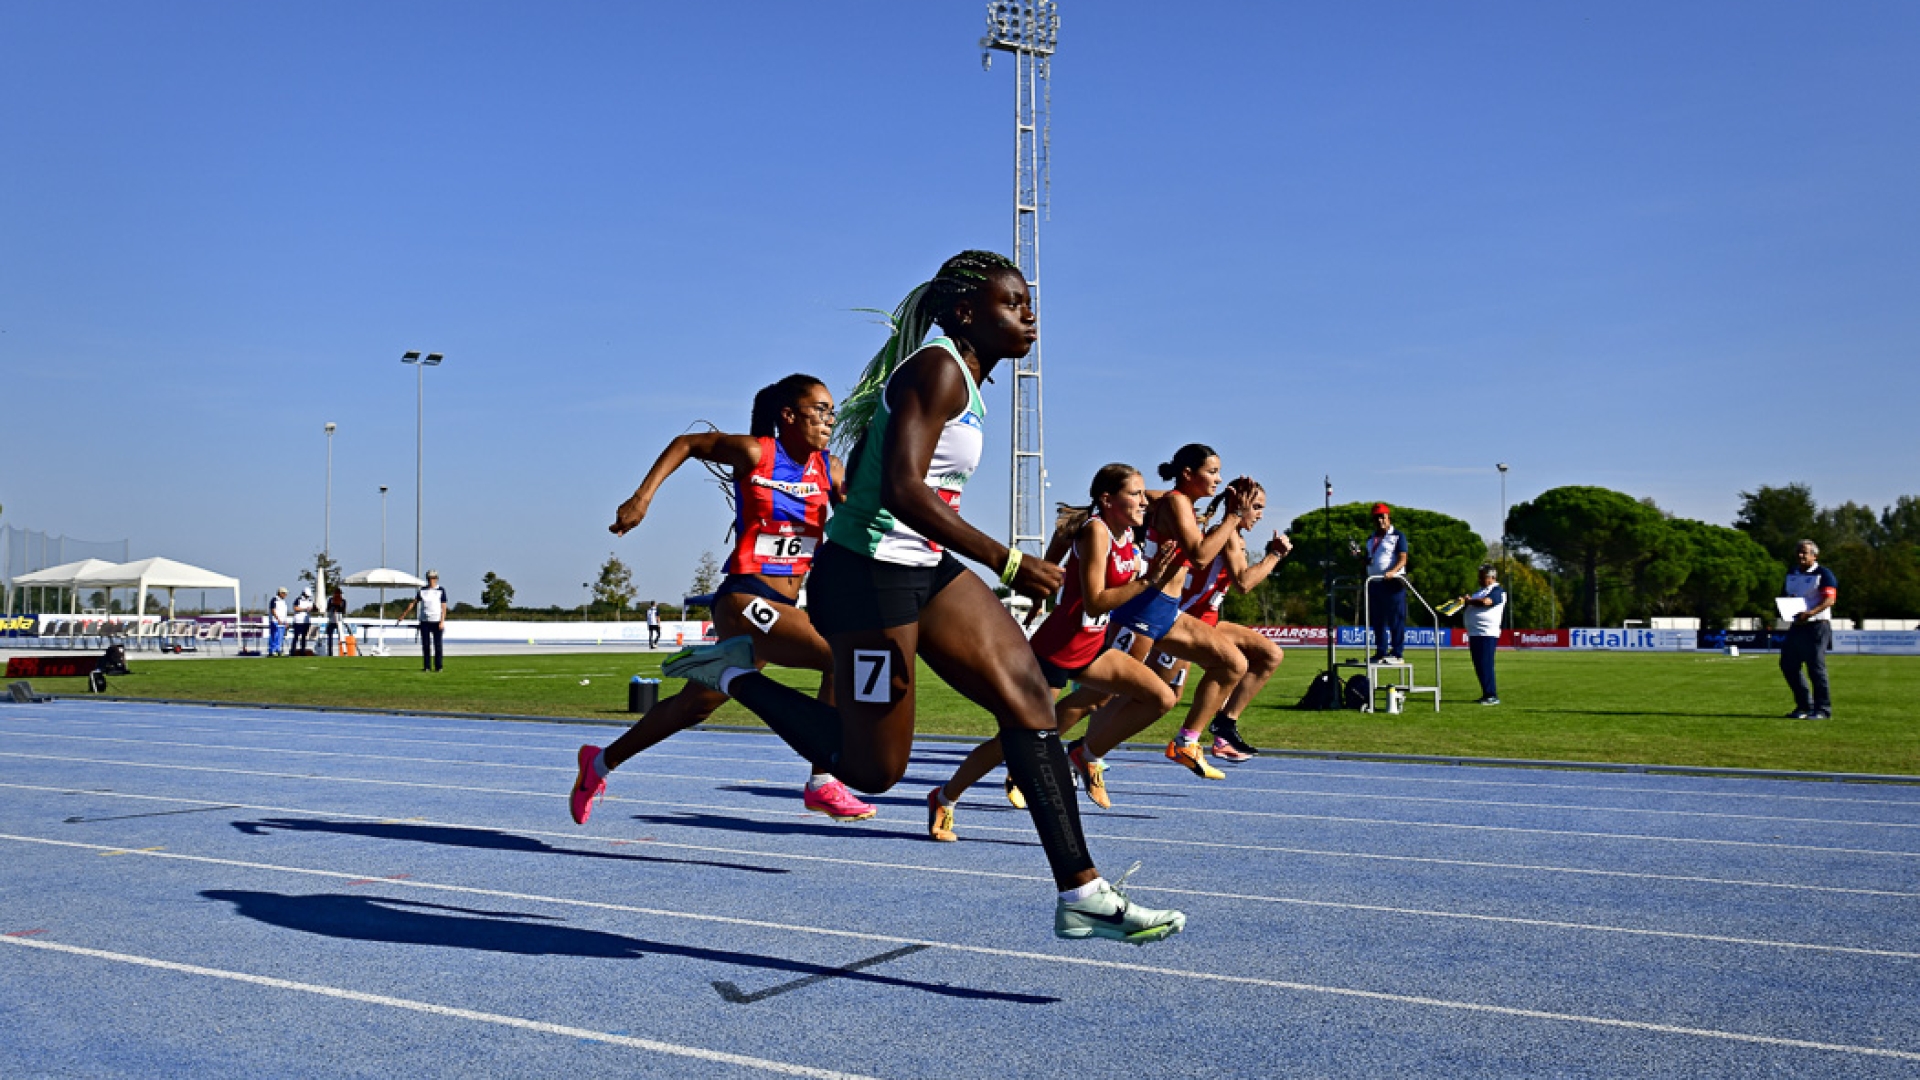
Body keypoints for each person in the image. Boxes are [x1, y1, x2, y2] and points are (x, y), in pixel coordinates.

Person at [663, 251, 1185, 943]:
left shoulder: (965, 378)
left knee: (1030, 701)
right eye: (1014, 303)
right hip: (866, 575)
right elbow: (903, 489)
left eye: (1030, 302)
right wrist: (1007, 558)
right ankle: (731, 671)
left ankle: (1081, 891)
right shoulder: (937, 368)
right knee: (873, 770)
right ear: (967, 312)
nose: (1030, 316)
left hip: (926, 567)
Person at [569, 373, 875, 825]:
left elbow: (854, 515)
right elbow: (687, 443)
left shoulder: (829, 468)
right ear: (789, 416)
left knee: (694, 707)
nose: (830, 419)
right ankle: (822, 778)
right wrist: (642, 498)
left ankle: (597, 764)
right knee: (840, 656)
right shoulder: (755, 452)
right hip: (744, 599)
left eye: (832, 410)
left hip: (783, 611)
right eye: (821, 410)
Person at [926, 463, 1183, 840]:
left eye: (1145, 494)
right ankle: (945, 797)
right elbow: (1095, 602)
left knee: (1161, 697)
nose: (1145, 501)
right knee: (1013, 741)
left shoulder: (1128, 527)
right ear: (1108, 499)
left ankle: (1086, 754)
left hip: (1094, 649)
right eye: (1137, 494)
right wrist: (1148, 582)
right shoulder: (1097, 532)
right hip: (1056, 652)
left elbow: (1164, 499)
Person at [1145, 476, 1291, 761]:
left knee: (1270, 654)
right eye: (1257, 506)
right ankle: (1085, 745)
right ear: (1240, 503)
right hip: (1186, 623)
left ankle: (1223, 728)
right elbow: (1244, 583)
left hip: (1208, 623)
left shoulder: (1233, 535)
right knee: (1158, 699)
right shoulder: (1228, 535)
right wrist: (1274, 555)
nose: (1260, 514)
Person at [1780, 539, 1837, 720]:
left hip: (1817, 625)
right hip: (1797, 626)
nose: (1800, 555)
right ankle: (1804, 706)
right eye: (1798, 551)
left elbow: (1830, 600)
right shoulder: (1792, 573)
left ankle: (1822, 709)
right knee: (1788, 664)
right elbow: (1785, 594)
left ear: (1815, 555)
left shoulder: (1823, 574)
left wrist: (1810, 613)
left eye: (1804, 552)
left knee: (1815, 668)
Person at [1361, 503, 1410, 664]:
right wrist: (1361, 557)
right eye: (1376, 518)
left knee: (1395, 618)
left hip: (1393, 582)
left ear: (1389, 518)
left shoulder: (1397, 535)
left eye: (1382, 517)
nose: (1380, 521)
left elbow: (1403, 559)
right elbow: (1371, 560)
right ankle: (1380, 651)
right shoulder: (1371, 538)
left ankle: (1397, 652)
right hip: (1375, 583)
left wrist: (1393, 571)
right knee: (1377, 620)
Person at [1454, 564, 1506, 705]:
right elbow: (1476, 601)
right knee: (1479, 665)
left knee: (1485, 664)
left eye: (1482, 577)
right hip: (1475, 633)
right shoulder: (1480, 591)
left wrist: (1469, 601)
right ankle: (1486, 693)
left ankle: (1491, 695)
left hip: (1486, 633)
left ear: (1491, 578)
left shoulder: (1497, 591)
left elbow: (1486, 602)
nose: (1480, 580)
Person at [398, 571, 448, 672]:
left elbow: (443, 607)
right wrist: (404, 614)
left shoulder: (441, 590)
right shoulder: (422, 590)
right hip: (425, 621)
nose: (431, 580)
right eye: (429, 578)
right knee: (426, 645)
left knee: (438, 646)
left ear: (436, 578)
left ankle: (439, 666)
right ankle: (427, 666)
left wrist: (442, 621)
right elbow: (413, 603)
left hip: (437, 621)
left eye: (433, 578)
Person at [324, 586, 348, 657]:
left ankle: (342, 652)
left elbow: (343, 611)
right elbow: (328, 609)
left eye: (339, 594)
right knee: (329, 637)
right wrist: (332, 606)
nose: (338, 595)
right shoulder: (330, 600)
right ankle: (330, 653)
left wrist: (339, 607)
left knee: (341, 637)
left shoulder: (343, 601)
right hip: (331, 620)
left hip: (339, 621)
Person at [290, 588, 314, 655]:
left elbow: (312, 608)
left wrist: (312, 609)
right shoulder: (298, 600)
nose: (307, 597)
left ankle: (303, 651)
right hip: (298, 621)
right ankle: (293, 651)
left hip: (306, 621)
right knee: (296, 637)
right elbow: (295, 608)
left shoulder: (310, 601)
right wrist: (304, 609)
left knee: (304, 637)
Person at [266, 587, 289, 657]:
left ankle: (278, 650)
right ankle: (272, 650)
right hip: (275, 621)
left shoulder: (283, 602)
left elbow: (284, 613)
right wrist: (277, 619)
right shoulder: (274, 600)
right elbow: (273, 610)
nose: (286, 595)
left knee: (280, 637)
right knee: (274, 636)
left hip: (282, 622)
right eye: (284, 593)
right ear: (280, 593)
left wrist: (285, 621)